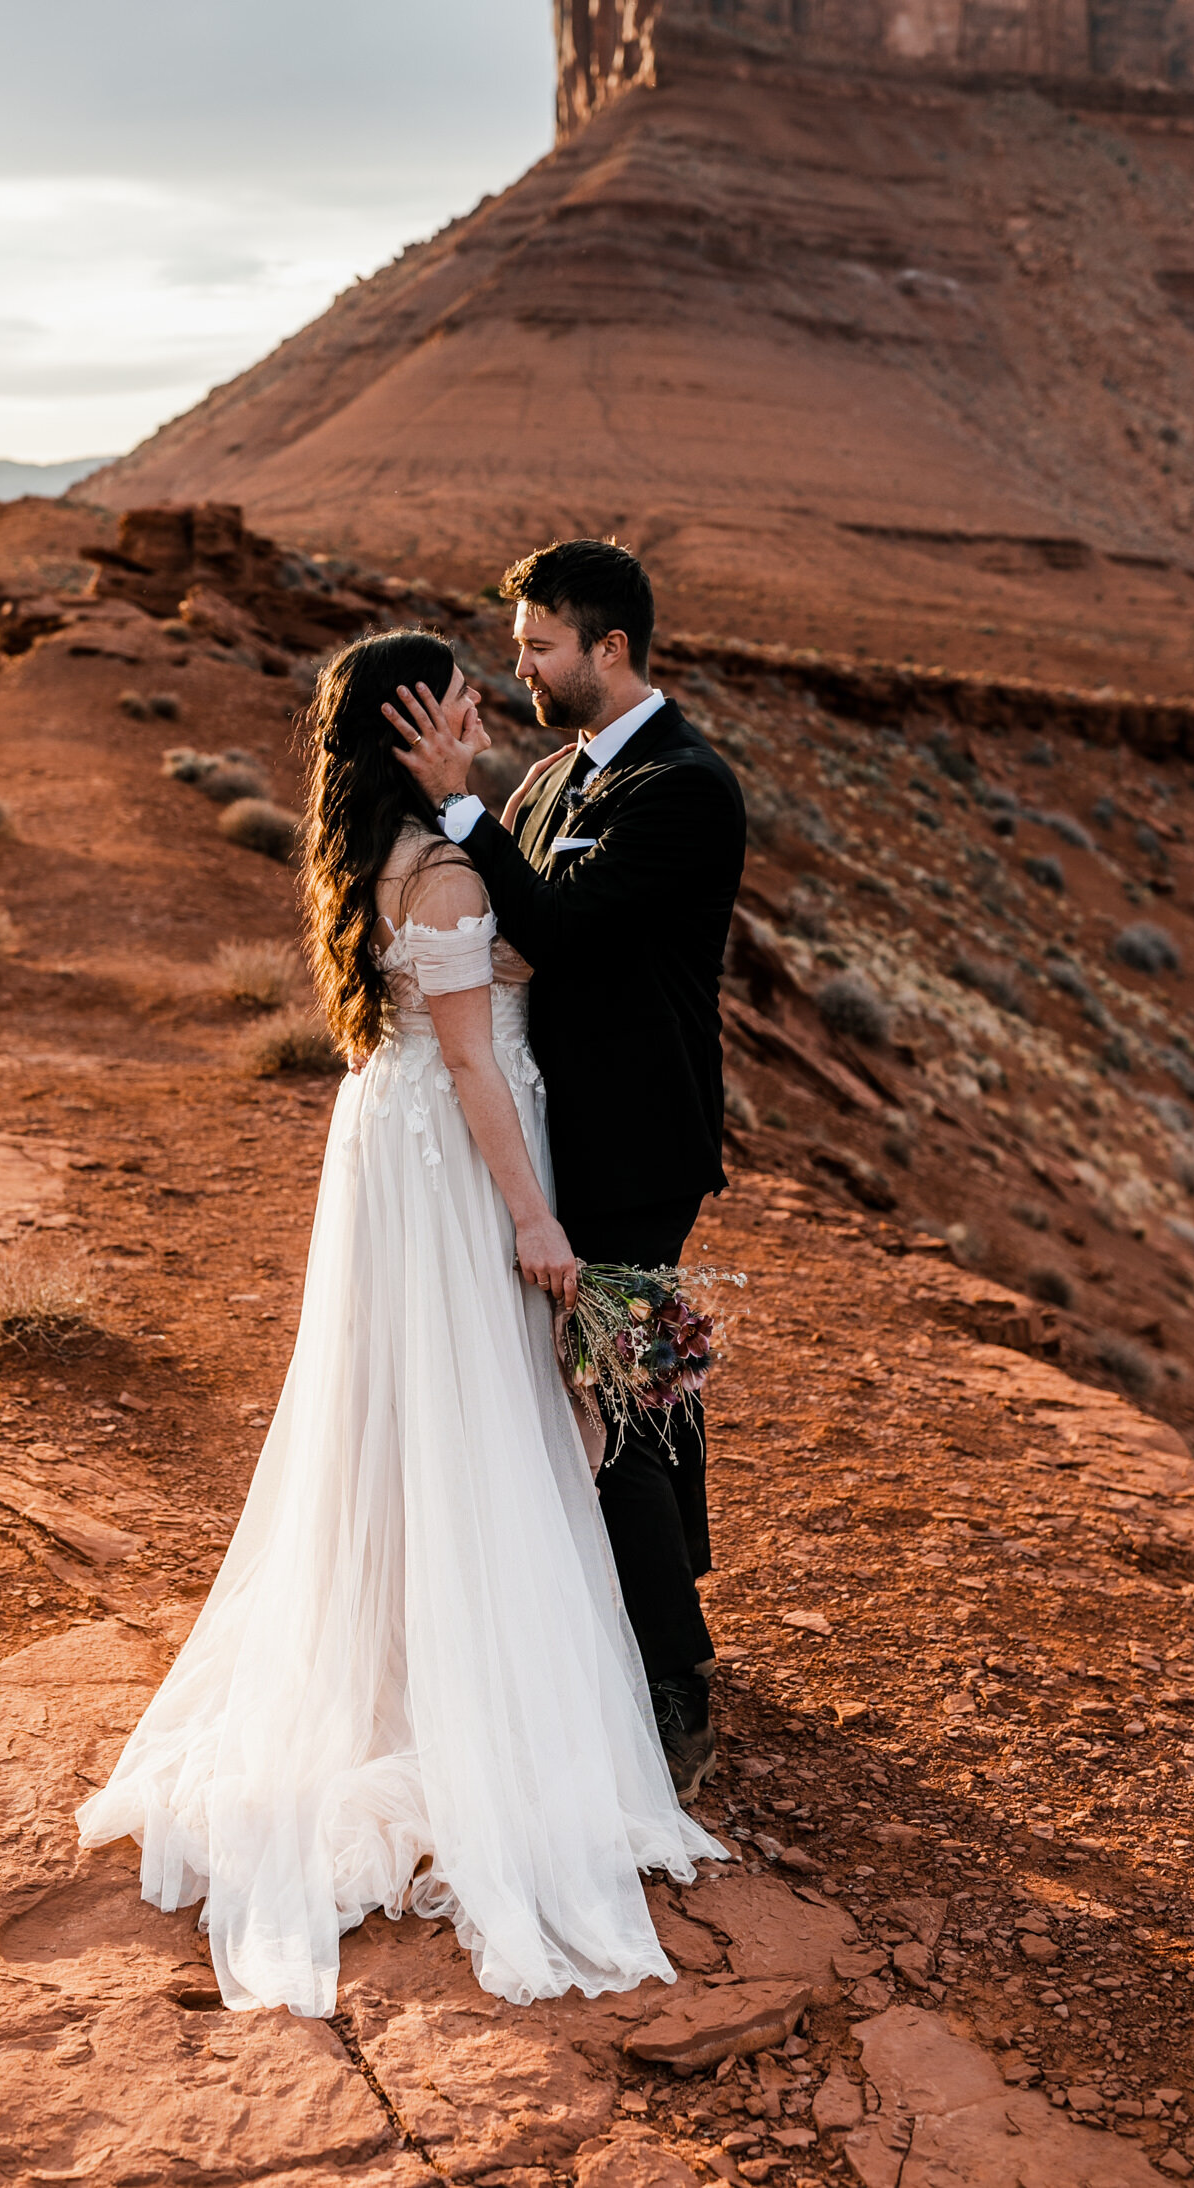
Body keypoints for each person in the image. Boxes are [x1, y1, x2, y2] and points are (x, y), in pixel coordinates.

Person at [76, 627, 721, 2018]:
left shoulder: (392, 845)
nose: (487, 702)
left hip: (395, 1143)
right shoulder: (434, 868)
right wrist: (535, 1222)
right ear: (410, 718)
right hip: (455, 1155)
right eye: (459, 693)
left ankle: (424, 1642)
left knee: (413, 1405)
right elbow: (480, 1063)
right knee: (483, 1401)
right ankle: (511, 1682)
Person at [385, 541, 746, 1801]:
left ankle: (673, 1692)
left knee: (614, 1392)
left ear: (610, 649)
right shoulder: (549, 775)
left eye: (541, 646)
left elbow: (568, 928)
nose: (523, 664)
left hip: (632, 1137)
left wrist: (465, 804)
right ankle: (669, 1606)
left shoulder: (682, 786)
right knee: (643, 1381)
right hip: (560, 1125)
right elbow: (509, 914)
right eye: (521, 643)